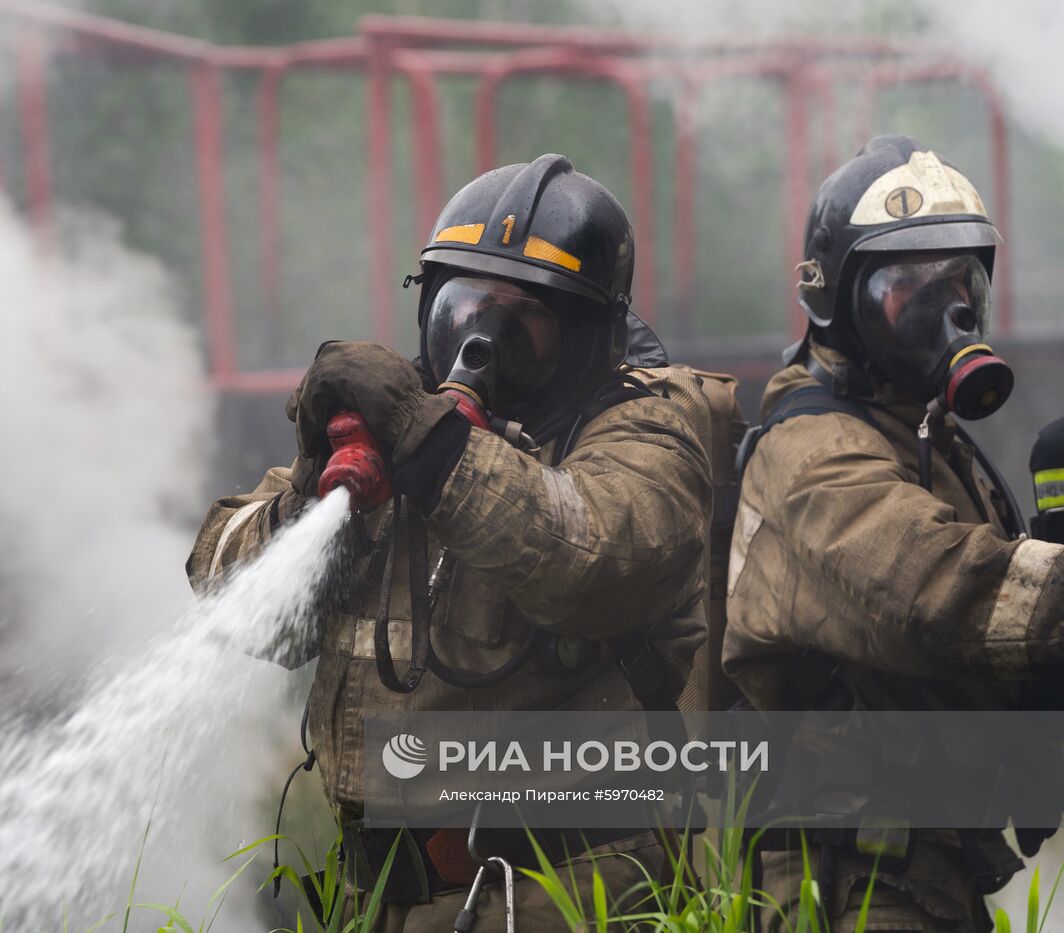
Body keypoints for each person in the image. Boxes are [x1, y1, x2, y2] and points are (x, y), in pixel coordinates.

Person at [186, 154, 714, 930]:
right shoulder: (403, 436)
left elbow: (587, 554)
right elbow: (230, 593)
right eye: (464, 304)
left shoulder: (646, 434)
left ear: (586, 335)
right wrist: (313, 482)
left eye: (522, 317)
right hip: (378, 899)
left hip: (561, 895)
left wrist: (432, 447)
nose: (481, 337)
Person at [724, 135, 1064, 932]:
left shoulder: (924, 439)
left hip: (919, 873)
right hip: (841, 880)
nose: (941, 311)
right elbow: (932, 589)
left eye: (959, 283)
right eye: (904, 284)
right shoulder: (812, 449)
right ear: (836, 302)